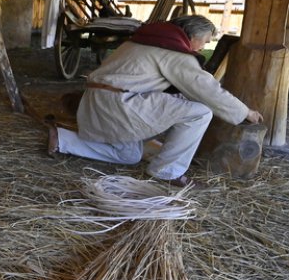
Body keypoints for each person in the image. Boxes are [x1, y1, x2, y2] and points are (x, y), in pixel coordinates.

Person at [47, 15, 263, 186]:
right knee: (200, 112)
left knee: (129, 155)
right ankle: (168, 171)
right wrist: (245, 113)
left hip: (100, 102)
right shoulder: (173, 52)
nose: (201, 47)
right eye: (205, 41)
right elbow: (205, 87)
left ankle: (64, 139)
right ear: (193, 36)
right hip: (120, 104)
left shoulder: (142, 42)